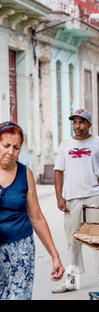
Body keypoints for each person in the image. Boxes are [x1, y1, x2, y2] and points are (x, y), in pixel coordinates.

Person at [52, 109, 99, 293]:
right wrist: (59, 197)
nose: (78, 126)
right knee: (73, 240)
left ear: (89, 124)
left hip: (94, 196)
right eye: (75, 122)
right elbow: (58, 171)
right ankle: (71, 280)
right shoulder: (66, 145)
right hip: (71, 199)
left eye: (82, 122)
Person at [0, 121, 64, 300]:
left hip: (21, 248)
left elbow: (36, 218)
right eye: (6, 146)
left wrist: (55, 256)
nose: (10, 152)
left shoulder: (24, 173)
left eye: (16, 147)